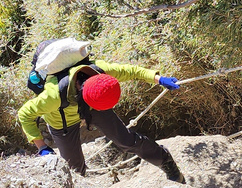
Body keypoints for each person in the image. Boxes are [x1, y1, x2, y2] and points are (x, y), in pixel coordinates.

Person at [17, 45, 184, 181]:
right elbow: (25, 114)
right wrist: (42, 147)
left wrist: (159, 79)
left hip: (96, 106)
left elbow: (130, 71)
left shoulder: (100, 71)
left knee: (126, 140)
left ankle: (166, 161)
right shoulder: (53, 96)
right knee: (73, 166)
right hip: (62, 120)